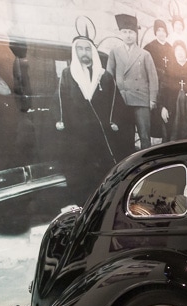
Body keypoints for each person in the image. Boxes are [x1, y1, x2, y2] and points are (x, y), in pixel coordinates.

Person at [56, 36, 130, 203]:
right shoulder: (68, 75)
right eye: (80, 49)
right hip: (78, 137)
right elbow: (61, 101)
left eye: (88, 49)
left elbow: (115, 102)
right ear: (75, 51)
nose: (84, 53)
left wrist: (114, 120)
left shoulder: (104, 76)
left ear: (93, 51)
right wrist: (61, 121)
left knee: (106, 176)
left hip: (103, 136)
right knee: (81, 177)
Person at [107, 14, 158, 150]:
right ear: (120, 34)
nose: (128, 35)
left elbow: (153, 78)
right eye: (125, 32)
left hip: (141, 100)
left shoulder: (144, 54)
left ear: (135, 34)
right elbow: (108, 77)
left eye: (131, 32)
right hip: (122, 101)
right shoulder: (114, 53)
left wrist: (152, 99)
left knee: (144, 137)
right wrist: (111, 100)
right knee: (126, 136)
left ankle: (147, 164)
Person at [160, 41, 187, 140]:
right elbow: (163, 90)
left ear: (186, 52)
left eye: (182, 50)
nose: (180, 53)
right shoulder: (169, 70)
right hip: (173, 111)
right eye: (177, 51)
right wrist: (162, 107)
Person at [143, 19, 174, 143]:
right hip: (155, 86)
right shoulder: (149, 47)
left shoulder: (171, 48)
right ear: (155, 32)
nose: (161, 33)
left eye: (163, 30)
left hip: (168, 87)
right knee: (156, 117)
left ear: (166, 32)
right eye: (158, 30)